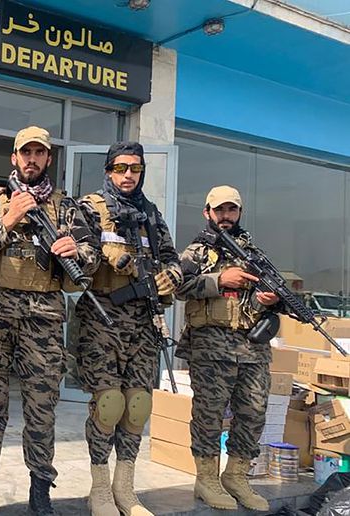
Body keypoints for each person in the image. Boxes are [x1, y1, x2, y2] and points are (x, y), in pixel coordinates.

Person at [0, 126, 98, 515]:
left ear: (49, 158)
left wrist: (77, 250)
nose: (32, 159)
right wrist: (8, 220)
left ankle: (40, 489)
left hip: (45, 322)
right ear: (14, 158)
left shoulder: (67, 208)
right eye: (26, 153)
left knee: (42, 406)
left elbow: (91, 257)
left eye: (40, 153)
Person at [74, 142, 182, 516]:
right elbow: (79, 250)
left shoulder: (150, 214)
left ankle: (125, 488)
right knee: (108, 404)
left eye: (135, 168)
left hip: (144, 321)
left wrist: (172, 274)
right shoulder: (91, 207)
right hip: (104, 317)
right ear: (108, 171)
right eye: (121, 168)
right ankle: (100, 488)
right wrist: (108, 253)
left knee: (137, 405)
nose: (128, 175)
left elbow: (171, 256)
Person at [175, 185, 278, 512]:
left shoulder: (254, 252)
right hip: (211, 348)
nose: (225, 216)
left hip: (253, 349)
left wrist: (270, 297)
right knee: (209, 415)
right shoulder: (197, 252)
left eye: (231, 210)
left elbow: (273, 288)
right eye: (219, 210)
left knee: (253, 412)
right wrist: (219, 280)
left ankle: (236, 476)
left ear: (239, 213)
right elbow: (176, 285)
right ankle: (206, 479)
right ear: (207, 213)